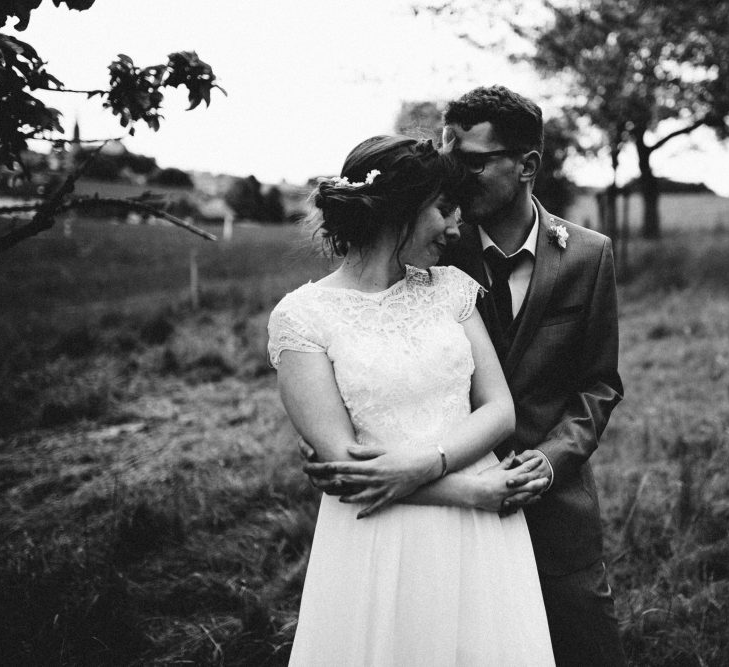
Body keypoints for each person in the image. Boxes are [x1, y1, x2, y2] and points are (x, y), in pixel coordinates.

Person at [305, 86, 627, 666]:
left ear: (527, 165)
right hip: (440, 518)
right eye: (451, 161)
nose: (457, 178)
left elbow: (599, 382)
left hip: (556, 509)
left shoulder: (588, 254)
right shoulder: (431, 258)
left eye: (473, 163)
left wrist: (552, 459)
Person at [268, 135, 555, 666]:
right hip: (385, 533)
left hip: (482, 531)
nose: (456, 226)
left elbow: (499, 409)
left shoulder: (450, 289)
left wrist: (430, 462)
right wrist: (468, 491)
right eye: (444, 209)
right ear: (398, 207)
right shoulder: (301, 318)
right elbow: (344, 467)